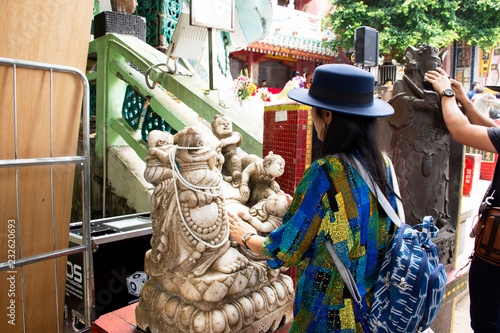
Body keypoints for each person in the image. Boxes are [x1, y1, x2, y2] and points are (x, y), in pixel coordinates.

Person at [229, 64, 397, 332]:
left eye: (314, 112)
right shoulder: (384, 165)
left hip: (331, 315)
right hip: (376, 309)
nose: (313, 119)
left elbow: (287, 250)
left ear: (327, 115)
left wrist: (245, 236)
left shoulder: (325, 172)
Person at [425, 68, 500, 333]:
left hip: (495, 257)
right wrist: (464, 101)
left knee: (487, 322)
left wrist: (446, 93)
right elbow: (493, 130)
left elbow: (460, 131)